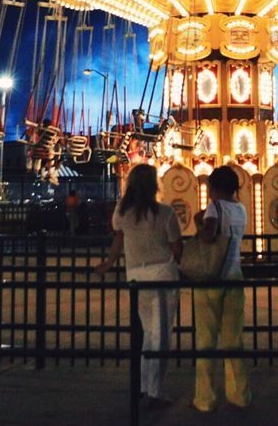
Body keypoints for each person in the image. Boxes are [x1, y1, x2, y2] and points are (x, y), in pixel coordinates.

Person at [94, 164, 181, 409]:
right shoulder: (165, 213)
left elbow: (118, 238)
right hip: (162, 273)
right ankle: (155, 390)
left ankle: (145, 385)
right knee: (160, 335)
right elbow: (177, 248)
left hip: (136, 275)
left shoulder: (122, 212)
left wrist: (109, 263)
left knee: (148, 334)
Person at [191, 166, 251, 412]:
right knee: (233, 340)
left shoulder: (215, 208)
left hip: (211, 278)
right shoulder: (242, 209)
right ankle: (239, 394)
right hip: (234, 275)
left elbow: (207, 236)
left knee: (206, 339)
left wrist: (198, 219)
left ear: (213, 188)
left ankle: (204, 398)